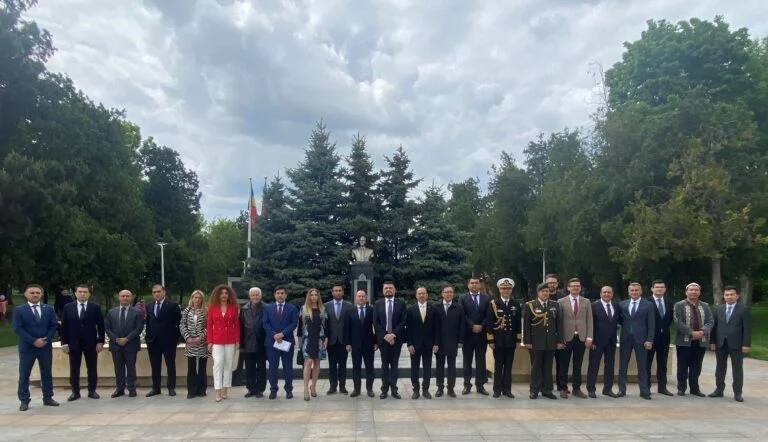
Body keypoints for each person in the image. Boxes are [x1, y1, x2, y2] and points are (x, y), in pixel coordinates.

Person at [13, 284, 60, 411]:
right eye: (32, 293)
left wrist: (46, 339)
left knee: (46, 372)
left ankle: (48, 397)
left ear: (41, 294)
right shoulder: (19, 310)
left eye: (37, 293)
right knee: (24, 374)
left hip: (45, 346)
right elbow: (17, 328)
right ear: (25, 294)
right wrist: (33, 340)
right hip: (27, 347)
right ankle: (24, 400)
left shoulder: (48, 309)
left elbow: (53, 325)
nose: (35, 295)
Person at [60, 284, 105, 401]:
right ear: (75, 293)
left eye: (85, 292)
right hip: (73, 343)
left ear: (89, 294)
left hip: (91, 343)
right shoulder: (68, 307)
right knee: (74, 369)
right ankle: (75, 392)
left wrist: (100, 341)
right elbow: (64, 326)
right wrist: (64, 343)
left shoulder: (95, 307)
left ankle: (92, 391)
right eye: (80, 292)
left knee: (92, 368)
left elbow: (101, 326)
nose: (82, 294)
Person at [709, 286, 751, 402]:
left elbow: (747, 328)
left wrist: (746, 344)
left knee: (737, 369)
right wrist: (712, 341)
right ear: (724, 296)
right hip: (720, 343)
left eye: (732, 294)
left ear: (737, 296)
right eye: (727, 295)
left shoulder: (743, 309)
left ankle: (737, 392)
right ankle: (719, 389)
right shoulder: (718, 309)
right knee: (720, 368)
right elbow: (714, 327)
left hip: (736, 344)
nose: (729, 297)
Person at [524, 282, 564, 399]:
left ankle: (547, 390)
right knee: (536, 367)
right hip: (536, 342)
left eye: (547, 291)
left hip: (550, 341)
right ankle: (534, 390)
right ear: (538, 293)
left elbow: (559, 325)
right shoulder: (531, 305)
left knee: (548, 367)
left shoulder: (555, 305)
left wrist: (560, 341)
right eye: (543, 291)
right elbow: (526, 325)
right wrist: (527, 341)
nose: (545, 293)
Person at [674, 282, 713, 397]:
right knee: (682, 365)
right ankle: (681, 388)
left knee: (696, 365)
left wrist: (702, 332)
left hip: (701, 340)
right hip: (683, 341)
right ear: (686, 292)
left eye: (696, 290)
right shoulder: (679, 305)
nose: (693, 292)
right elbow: (678, 321)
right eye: (691, 290)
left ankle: (694, 388)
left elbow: (710, 321)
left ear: (699, 292)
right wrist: (691, 332)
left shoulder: (705, 306)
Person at [556, 278, 593, 399]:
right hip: (566, 338)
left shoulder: (586, 302)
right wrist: (560, 339)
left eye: (577, 286)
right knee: (563, 364)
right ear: (568, 288)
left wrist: (589, 337)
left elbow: (589, 320)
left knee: (578, 364)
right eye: (573, 286)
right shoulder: (561, 302)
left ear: (580, 288)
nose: (575, 288)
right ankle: (563, 388)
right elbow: (558, 322)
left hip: (581, 338)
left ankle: (576, 388)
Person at [617, 282, 654, 400]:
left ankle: (644, 391)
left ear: (641, 291)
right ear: (629, 292)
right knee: (622, 366)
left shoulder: (648, 305)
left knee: (642, 366)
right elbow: (619, 321)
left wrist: (649, 340)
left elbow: (651, 324)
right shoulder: (622, 304)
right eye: (632, 290)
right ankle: (621, 390)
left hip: (642, 340)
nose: (634, 292)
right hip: (625, 338)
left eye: (636, 290)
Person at [104, 289, 144, 398]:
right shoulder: (111, 312)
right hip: (116, 345)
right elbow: (107, 328)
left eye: (127, 296)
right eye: (123, 296)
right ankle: (119, 389)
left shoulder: (137, 312)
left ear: (131, 298)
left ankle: (131, 389)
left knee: (131, 368)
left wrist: (127, 339)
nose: (125, 298)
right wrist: (116, 339)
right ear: (119, 297)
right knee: (118, 368)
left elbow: (139, 328)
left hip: (131, 345)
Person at [486, 278, 521, 399]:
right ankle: (497, 390)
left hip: (511, 341)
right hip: (498, 341)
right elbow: (489, 322)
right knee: (498, 366)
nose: (506, 291)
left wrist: (518, 340)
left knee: (508, 367)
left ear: (511, 290)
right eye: (503, 289)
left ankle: (507, 390)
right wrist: (490, 340)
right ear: (499, 290)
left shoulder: (515, 305)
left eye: (508, 289)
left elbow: (518, 324)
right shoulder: (494, 304)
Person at [145, 284, 182, 397]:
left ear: (164, 292)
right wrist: (148, 337)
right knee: (155, 365)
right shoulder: (149, 306)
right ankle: (156, 388)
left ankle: (171, 387)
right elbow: (148, 323)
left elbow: (178, 323)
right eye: (154, 292)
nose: (156, 294)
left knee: (170, 364)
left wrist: (176, 339)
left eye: (158, 291)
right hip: (153, 341)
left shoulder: (172, 305)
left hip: (168, 341)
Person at [263, 286, 298, 399]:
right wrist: (274, 334)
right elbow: (265, 323)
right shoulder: (268, 308)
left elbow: (293, 323)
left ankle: (289, 390)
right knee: (273, 367)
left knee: (288, 366)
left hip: (286, 341)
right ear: (274, 295)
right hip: (272, 342)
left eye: (282, 293)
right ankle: (273, 390)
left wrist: (282, 334)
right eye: (278, 293)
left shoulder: (292, 308)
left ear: (286, 295)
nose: (280, 295)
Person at [373, 281, 407, 399]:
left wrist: (393, 335)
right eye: (386, 288)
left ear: (394, 290)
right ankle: (384, 390)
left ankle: (394, 390)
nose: (388, 290)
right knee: (384, 365)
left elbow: (403, 321)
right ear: (383, 291)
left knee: (394, 365)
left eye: (390, 288)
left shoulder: (401, 303)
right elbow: (376, 322)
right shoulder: (378, 304)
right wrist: (386, 336)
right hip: (383, 340)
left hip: (396, 340)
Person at [206, 285, 240, 402]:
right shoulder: (212, 307)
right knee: (218, 364)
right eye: (221, 293)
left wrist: (237, 340)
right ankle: (217, 390)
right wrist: (209, 341)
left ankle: (225, 388)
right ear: (218, 295)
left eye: (226, 293)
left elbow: (237, 325)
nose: (224, 295)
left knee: (228, 364)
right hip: (217, 340)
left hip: (230, 340)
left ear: (229, 295)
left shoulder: (234, 307)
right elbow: (209, 326)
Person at [406, 286, 439, 399]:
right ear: (416, 296)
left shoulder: (433, 309)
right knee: (414, 368)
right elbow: (408, 329)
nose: (421, 295)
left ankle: (425, 390)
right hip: (415, 345)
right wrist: (409, 344)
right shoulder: (410, 310)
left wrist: (436, 343)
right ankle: (416, 390)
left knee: (427, 368)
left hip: (428, 344)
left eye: (423, 293)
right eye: (419, 294)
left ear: (427, 295)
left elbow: (436, 328)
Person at [586, 286, 620, 398]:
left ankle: (608, 389)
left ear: (612, 294)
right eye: (604, 292)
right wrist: (591, 340)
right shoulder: (593, 306)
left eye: (609, 292)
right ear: (600, 294)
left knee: (610, 366)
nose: (607, 294)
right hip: (597, 342)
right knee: (593, 366)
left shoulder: (616, 306)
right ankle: (591, 389)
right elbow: (590, 324)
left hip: (611, 341)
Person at [459, 277, 491, 395]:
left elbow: (489, 315)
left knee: (480, 361)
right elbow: (462, 314)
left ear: (480, 285)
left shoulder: (487, 298)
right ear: (468, 285)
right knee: (467, 361)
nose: (474, 285)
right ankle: (467, 385)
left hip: (481, 335)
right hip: (468, 335)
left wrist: (481, 326)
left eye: (476, 283)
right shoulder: (463, 298)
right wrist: (472, 325)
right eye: (472, 283)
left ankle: (480, 385)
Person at [344, 290, 376, 398]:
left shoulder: (372, 310)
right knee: (356, 367)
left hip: (369, 344)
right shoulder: (349, 311)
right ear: (356, 298)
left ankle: (369, 389)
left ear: (366, 297)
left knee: (370, 367)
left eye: (363, 296)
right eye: (359, 296)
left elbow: (376, 327)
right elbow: (347, 329)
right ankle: (356, 389)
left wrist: (376, 342)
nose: (361, 298)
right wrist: (348, 343)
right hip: (355, 345)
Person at [298, 288, 329, 401]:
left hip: (319, 339)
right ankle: (305, 389)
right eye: (312, 295)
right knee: (308, 362)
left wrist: (326, 339)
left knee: (317, 363)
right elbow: (300, 327)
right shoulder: (303, 309)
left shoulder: (323, 309)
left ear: (318, 296)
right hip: (307, 339)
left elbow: (326, 326)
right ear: (309, 296)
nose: (314, 297)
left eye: (316, 295)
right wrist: (299, 342)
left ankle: (313, 387)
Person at [435, 285, 464, 398]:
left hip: (453, 341)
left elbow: (462, 325)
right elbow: (433, 326)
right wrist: (434, 343)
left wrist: (460, 340)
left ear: (453, 294)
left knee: (452, 366)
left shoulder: (459, 307)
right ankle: (440, 387)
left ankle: (451, 388)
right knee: (439, 365)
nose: (449, 294)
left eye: (451, 292)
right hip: (439, 342)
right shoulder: (436, 307)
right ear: (442, 294)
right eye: (446, 292)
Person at [180, 290, 210, 399]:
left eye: (199, 298)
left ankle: (202, 390)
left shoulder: (206, 311)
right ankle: (191, 391)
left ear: (202, 299)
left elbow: (208, 326)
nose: (197, 300)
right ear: (192, 298)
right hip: (190, 343)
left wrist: (200, 337)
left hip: (202, 343)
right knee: (191, 367)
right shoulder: (186, 311)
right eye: (195, 297)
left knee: (202, 367)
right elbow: (182, 325)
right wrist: (187, 337)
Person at [647, 279, 674, 396]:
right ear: (652, 289)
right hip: (650, 338)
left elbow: (670, 319)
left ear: (665, 289)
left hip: (664, 338)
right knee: (647, 363)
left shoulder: (669, 303)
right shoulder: (646, 302)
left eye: (662, 287)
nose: (659, 289)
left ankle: (662, 387)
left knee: (663, 363)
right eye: (657, 287)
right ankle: (646, 387)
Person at [325, 283, 352, 395]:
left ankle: (342, 387)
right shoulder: (326, 306)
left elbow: (351, 325)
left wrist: (349, 342)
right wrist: (325, 339)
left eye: (340, 290)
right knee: (332, 365)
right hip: (331, 341)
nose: (338, 292)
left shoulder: (349, 306)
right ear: (332, 293)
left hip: (343, 341)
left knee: (342, 365)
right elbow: (324, 324)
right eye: (335, 291)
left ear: (343, 292)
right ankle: (332, 387)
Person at [240, 287, 267, 398]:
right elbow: (241, 327)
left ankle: (260, 389)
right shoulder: (244, 309)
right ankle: (251, 389)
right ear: (249, 296)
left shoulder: (266, 308)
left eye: (257, 295)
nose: (255, 297)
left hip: (262, 342)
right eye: (253, 295)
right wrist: (241, 343)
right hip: (247, 342)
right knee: (249, 368)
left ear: (260, 296)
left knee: (261, 368)